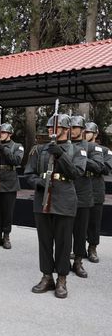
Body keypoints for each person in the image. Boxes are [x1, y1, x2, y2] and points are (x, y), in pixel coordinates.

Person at [24, 114, 85, 299]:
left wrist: (60, 154)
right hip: (43, 200)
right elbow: (29, 173)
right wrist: (39, 183)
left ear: (66, 130)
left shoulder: (77, 151)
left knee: (64, 243)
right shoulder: (38, 150)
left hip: (65, 200)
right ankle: (47, 276)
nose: (50, 130)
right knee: (44, 242)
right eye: (49, 128)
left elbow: (76, 173)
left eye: (55, 128)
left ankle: (62, 279)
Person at [68, 116, 103, 278]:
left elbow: (99, 166)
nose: (72, 130)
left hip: (83, 192)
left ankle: (79, 261)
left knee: (81, 231)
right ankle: (64, 259)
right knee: (65, 230)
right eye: (70, 127)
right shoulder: (65, 145)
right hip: (66, 192)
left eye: (76, 127)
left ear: (82, 130)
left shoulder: (91, 147)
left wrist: (82, 159)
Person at [0, 123, 24, 249]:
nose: (1, 135)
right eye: (0, 133)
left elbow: (16, 161)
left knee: (7, 211)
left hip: (9, 182)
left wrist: (3, 149)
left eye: (3, 133)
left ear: (10, 134)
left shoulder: (17, 146)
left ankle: (6, 236)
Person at [83, 122, 111, 263]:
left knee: (94, 221)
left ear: (95, 134)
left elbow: (105, 168)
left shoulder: (104, 150)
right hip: (80, 187)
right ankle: (78, 248)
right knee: (79, 221)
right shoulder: (76, 147)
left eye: (88, 132)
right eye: (84, 131)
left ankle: (92, 247)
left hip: (95, 188)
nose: (85, 134)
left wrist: (83, 159)